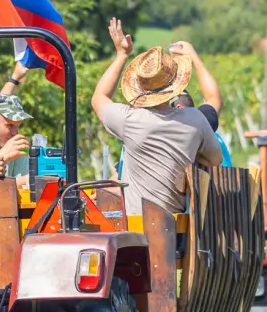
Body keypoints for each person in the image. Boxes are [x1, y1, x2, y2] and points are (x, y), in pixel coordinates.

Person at [92, 20, 220, 215]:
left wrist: (121, 55)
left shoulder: (129, 120)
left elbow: (99, 98)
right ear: (175, 84)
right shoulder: (195, 120)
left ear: (140, 87)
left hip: (135, 225)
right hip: (175, 227)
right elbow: (215, 159)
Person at [164, 41, 233, 167]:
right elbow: (214, 98)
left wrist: (122, 55)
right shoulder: (197, 124)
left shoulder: (137, 130)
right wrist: (194, 58)